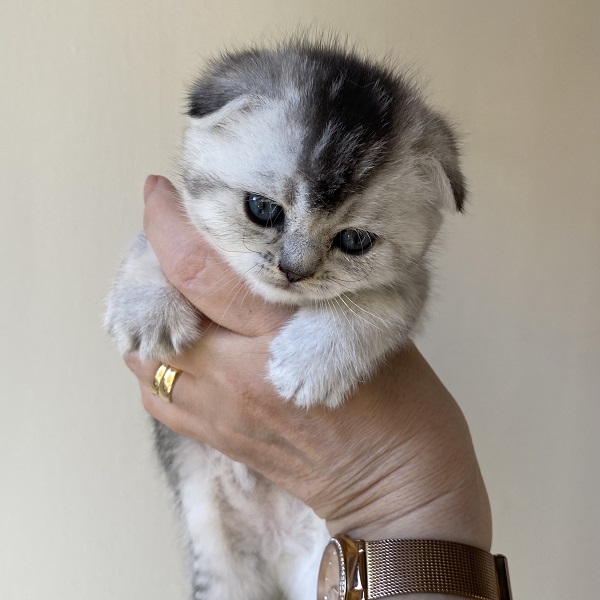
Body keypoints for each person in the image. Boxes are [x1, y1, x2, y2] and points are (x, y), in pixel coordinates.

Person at [124, 175, 494, 597]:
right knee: (220, 575)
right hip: (222, 483)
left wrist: (397, 497)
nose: (294, 269)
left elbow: (406, 284)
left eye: (353, 238)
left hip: (333, 528)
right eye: (265, 208)